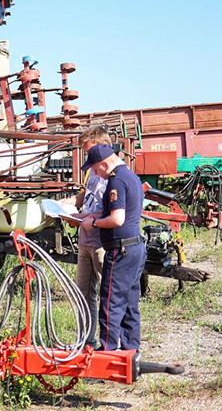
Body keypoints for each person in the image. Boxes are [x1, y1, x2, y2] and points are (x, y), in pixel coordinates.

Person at [81, 143, 146, 351]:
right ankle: (130, 352)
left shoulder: (115, 181)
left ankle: (107, 353)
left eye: (95, 168)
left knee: (110, 303)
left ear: (105, 163)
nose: (95, 173)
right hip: (135, 248)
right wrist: (88, 216)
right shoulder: (131, 177)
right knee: (129, 304)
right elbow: (117, 212)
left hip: (120, 250)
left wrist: (94, 224)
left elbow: (117, 219)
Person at [61, 126, 111, 348]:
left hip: (102, 241)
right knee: (83, 292)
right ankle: (86, 340)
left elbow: (113, 211)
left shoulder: (113, 175)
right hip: (85, 240)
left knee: (106, 293)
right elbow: (88, 193)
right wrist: (72, 202)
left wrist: (83, 217)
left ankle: (109, 341)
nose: (87, 158)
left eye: (90, 151)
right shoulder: (92, 172)